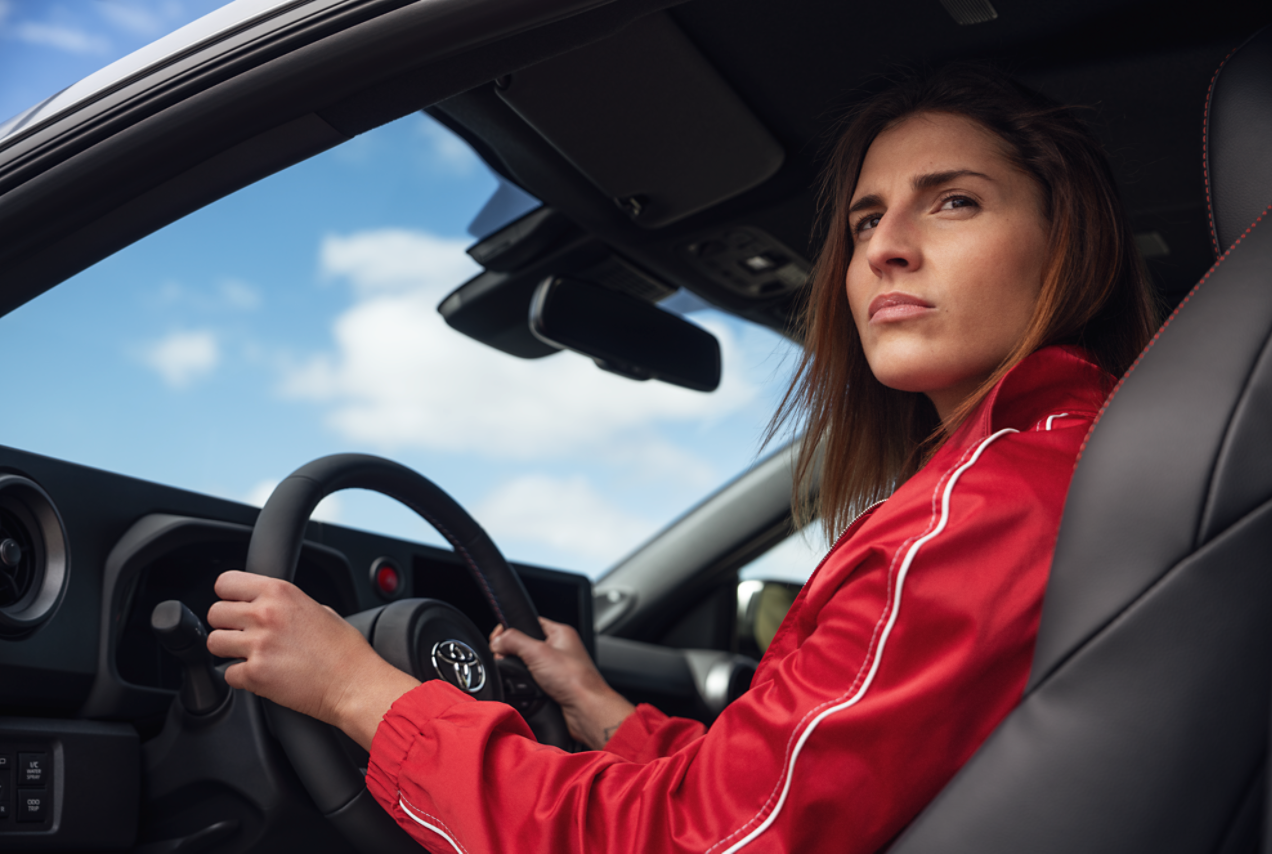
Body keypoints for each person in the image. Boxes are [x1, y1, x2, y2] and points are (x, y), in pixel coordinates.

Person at [206, 65, 1157, 854]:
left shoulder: (981, 511)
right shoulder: (1049, 467)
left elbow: (697, 844)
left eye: (953, 202)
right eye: (866, 220)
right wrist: (599, 707)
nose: (887, 250)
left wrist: (356, 690)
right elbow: (767, 791)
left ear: (1065, 243)